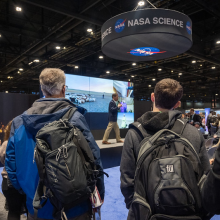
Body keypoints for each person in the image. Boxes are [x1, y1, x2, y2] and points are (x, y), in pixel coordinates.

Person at [5, 68, 104, 220]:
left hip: (37, 207)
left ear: (42, 88)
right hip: (75, 207)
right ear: (64, 89)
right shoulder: (75, 119)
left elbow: (11, 165)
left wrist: (27, 193)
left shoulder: (19, 123)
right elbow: (94, 159)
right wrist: (99, 193)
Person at [120, 78, 210, 220]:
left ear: (152, 97)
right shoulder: (193, 133)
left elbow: (127, 181)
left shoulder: (134, 133)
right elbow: (206, 176)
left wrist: (138, 209)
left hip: (147, 213)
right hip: (190, 214)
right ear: (178, 103)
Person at [0, 120, 27, 220]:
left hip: (7, 181)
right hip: (24, 180)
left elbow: (3, 160)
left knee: (13, 211)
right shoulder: (25, 142)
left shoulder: (5, 144)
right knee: (29, 210)